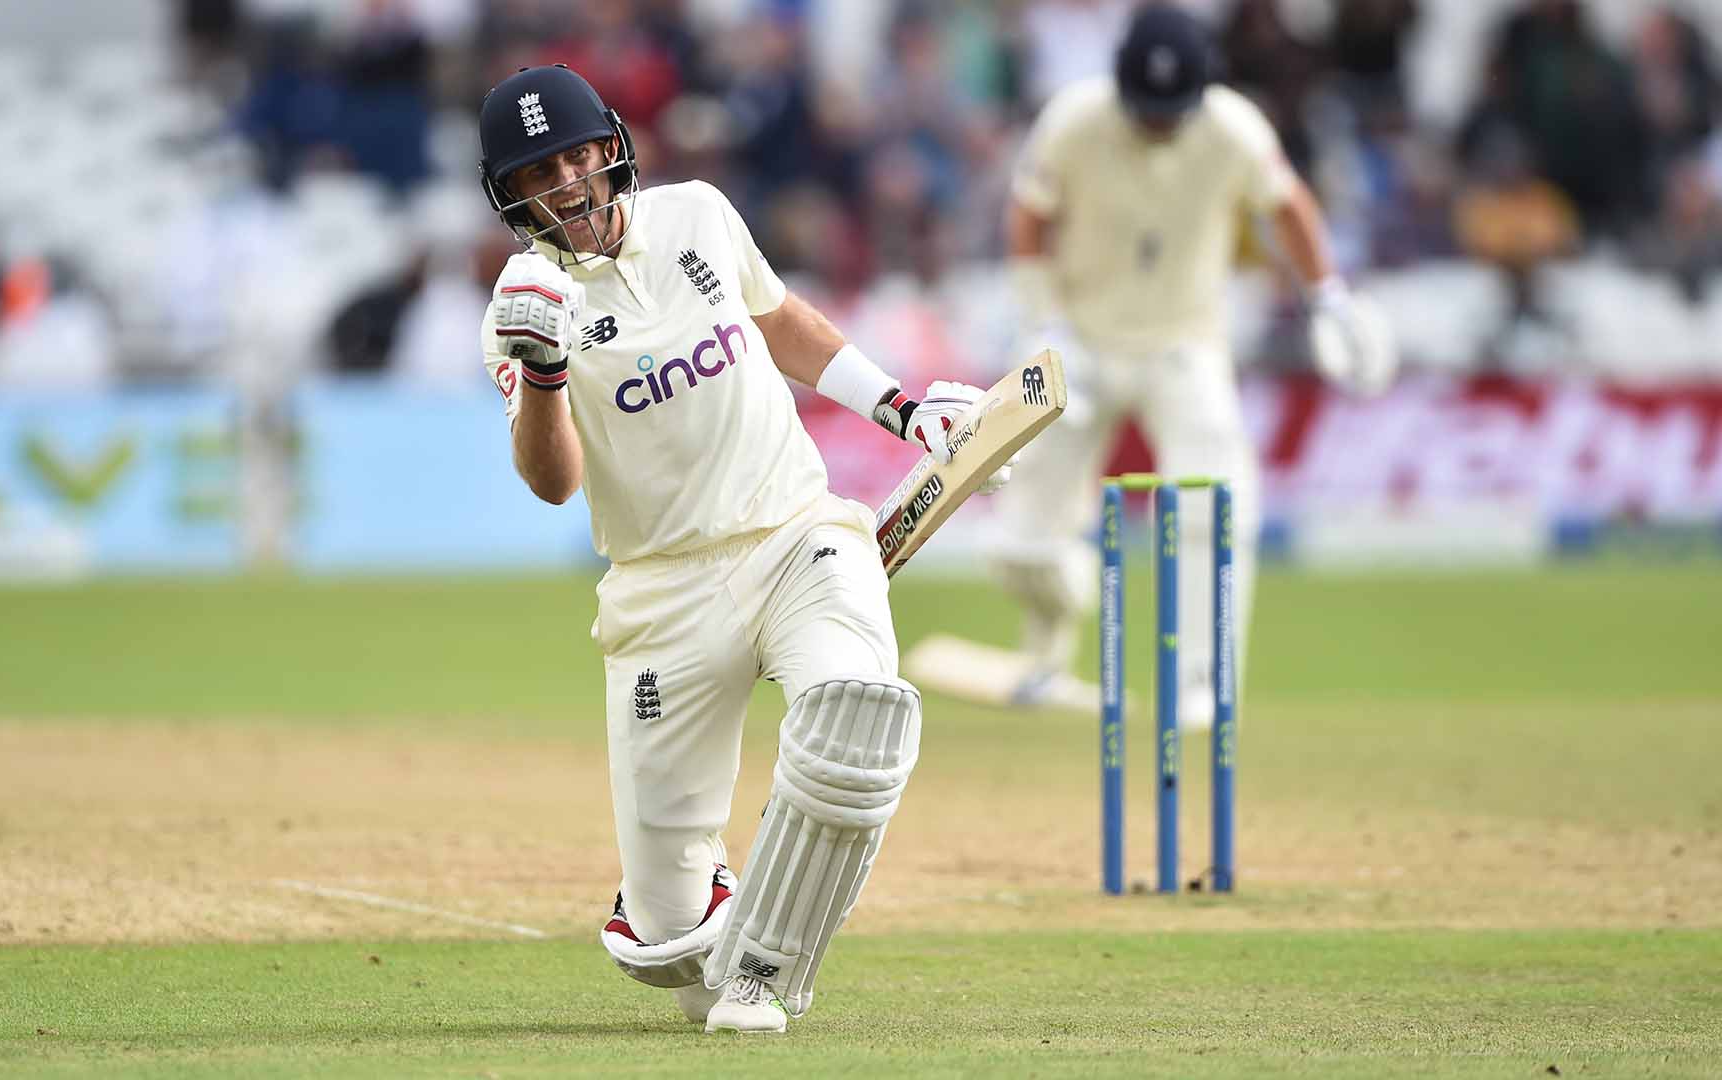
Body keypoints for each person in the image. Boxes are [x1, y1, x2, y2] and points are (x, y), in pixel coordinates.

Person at [473, 64, 1007, 1035]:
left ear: (612, 149)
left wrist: (904, 410)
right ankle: (700, 912)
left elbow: (778, 322)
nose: (567, 184)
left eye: (578, 157)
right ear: (510, 196)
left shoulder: (698, 215)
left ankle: (765, 970)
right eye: (538, 173)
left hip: (795, 532)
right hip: (662, 594)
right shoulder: (523, 303)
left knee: (856, 718)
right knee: (677, 958)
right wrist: (544, 370)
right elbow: (553, 480)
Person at [988, 3, 1393, 722]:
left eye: (1171, 112)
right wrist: (1044, 324)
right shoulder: (1074, 120)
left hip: (1184, 344)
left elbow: (1290, 205)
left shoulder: (1234, 128)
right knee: (1021, 541)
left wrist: (1327, 296)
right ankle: (1046, 657)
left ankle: (1202, 682)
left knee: (1215, 506)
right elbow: (1028, 215)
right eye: (1146, 110)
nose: (1158, 124)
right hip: (1079, 342)